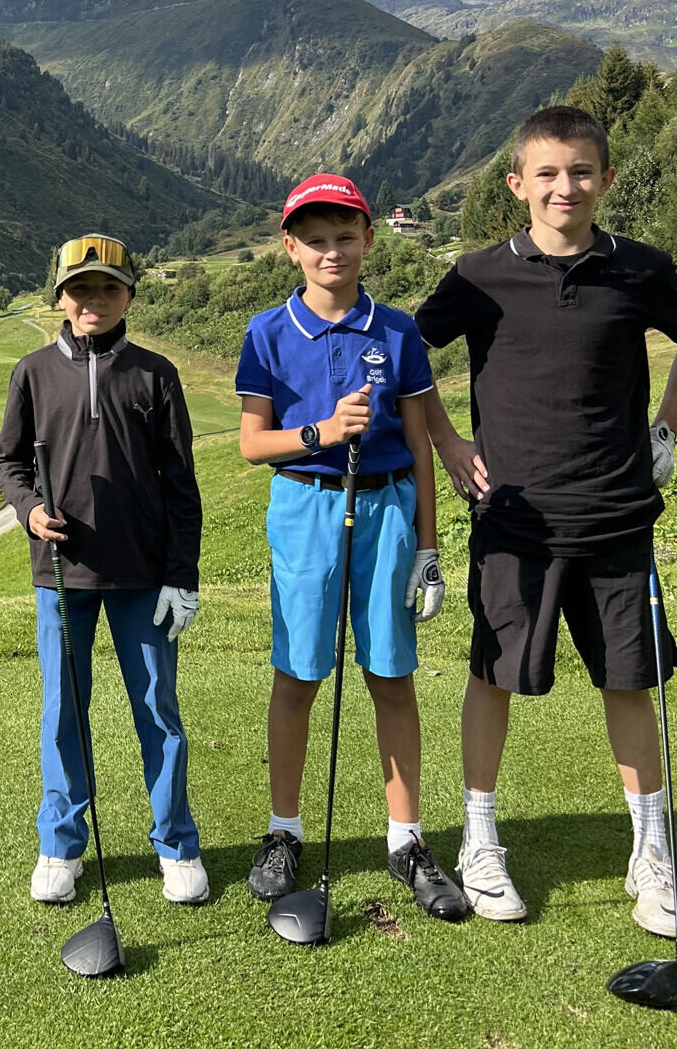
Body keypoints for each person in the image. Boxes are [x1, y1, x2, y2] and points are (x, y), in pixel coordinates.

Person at [417, 105, 677, 937]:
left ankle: (651, 857)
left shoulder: (642, 269)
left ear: (606, 179)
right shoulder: (479, 276)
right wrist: (447, 441)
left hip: (618, 515)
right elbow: (409, 357)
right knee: (493, 675)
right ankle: (481, 844)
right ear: (518, 184)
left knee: (630, 681)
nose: (565, 187)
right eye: (547, 173)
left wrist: (665, 432)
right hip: (514, 520)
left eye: (581, 171)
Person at [234, 175, 470, 921]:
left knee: (391, 673)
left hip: (388, 507)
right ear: (291, 248)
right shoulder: (267, 333)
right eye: (315, 240)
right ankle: (284, 831)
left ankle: (406, 840)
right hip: (305, 504)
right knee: (298, 673)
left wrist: (429, 545)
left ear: (368, 239)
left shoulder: (397, 331)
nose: (330, 251)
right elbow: (252, 443)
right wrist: (322, 433)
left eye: (344, 237)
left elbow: (422, 444)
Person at [0, 233, 208, 906]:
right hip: (60, 571)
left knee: (158, 710)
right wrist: (30, 510)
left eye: (109, 287)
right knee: (64, 710)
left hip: (144, 574)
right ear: (60, 296)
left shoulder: (156, 374)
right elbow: (9, 463)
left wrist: (183, 576)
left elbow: (181, 485)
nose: (95, 299)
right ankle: (60, 845)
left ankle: (176, 844)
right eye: (80, 287)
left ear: (129, 296)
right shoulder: (32, 372)